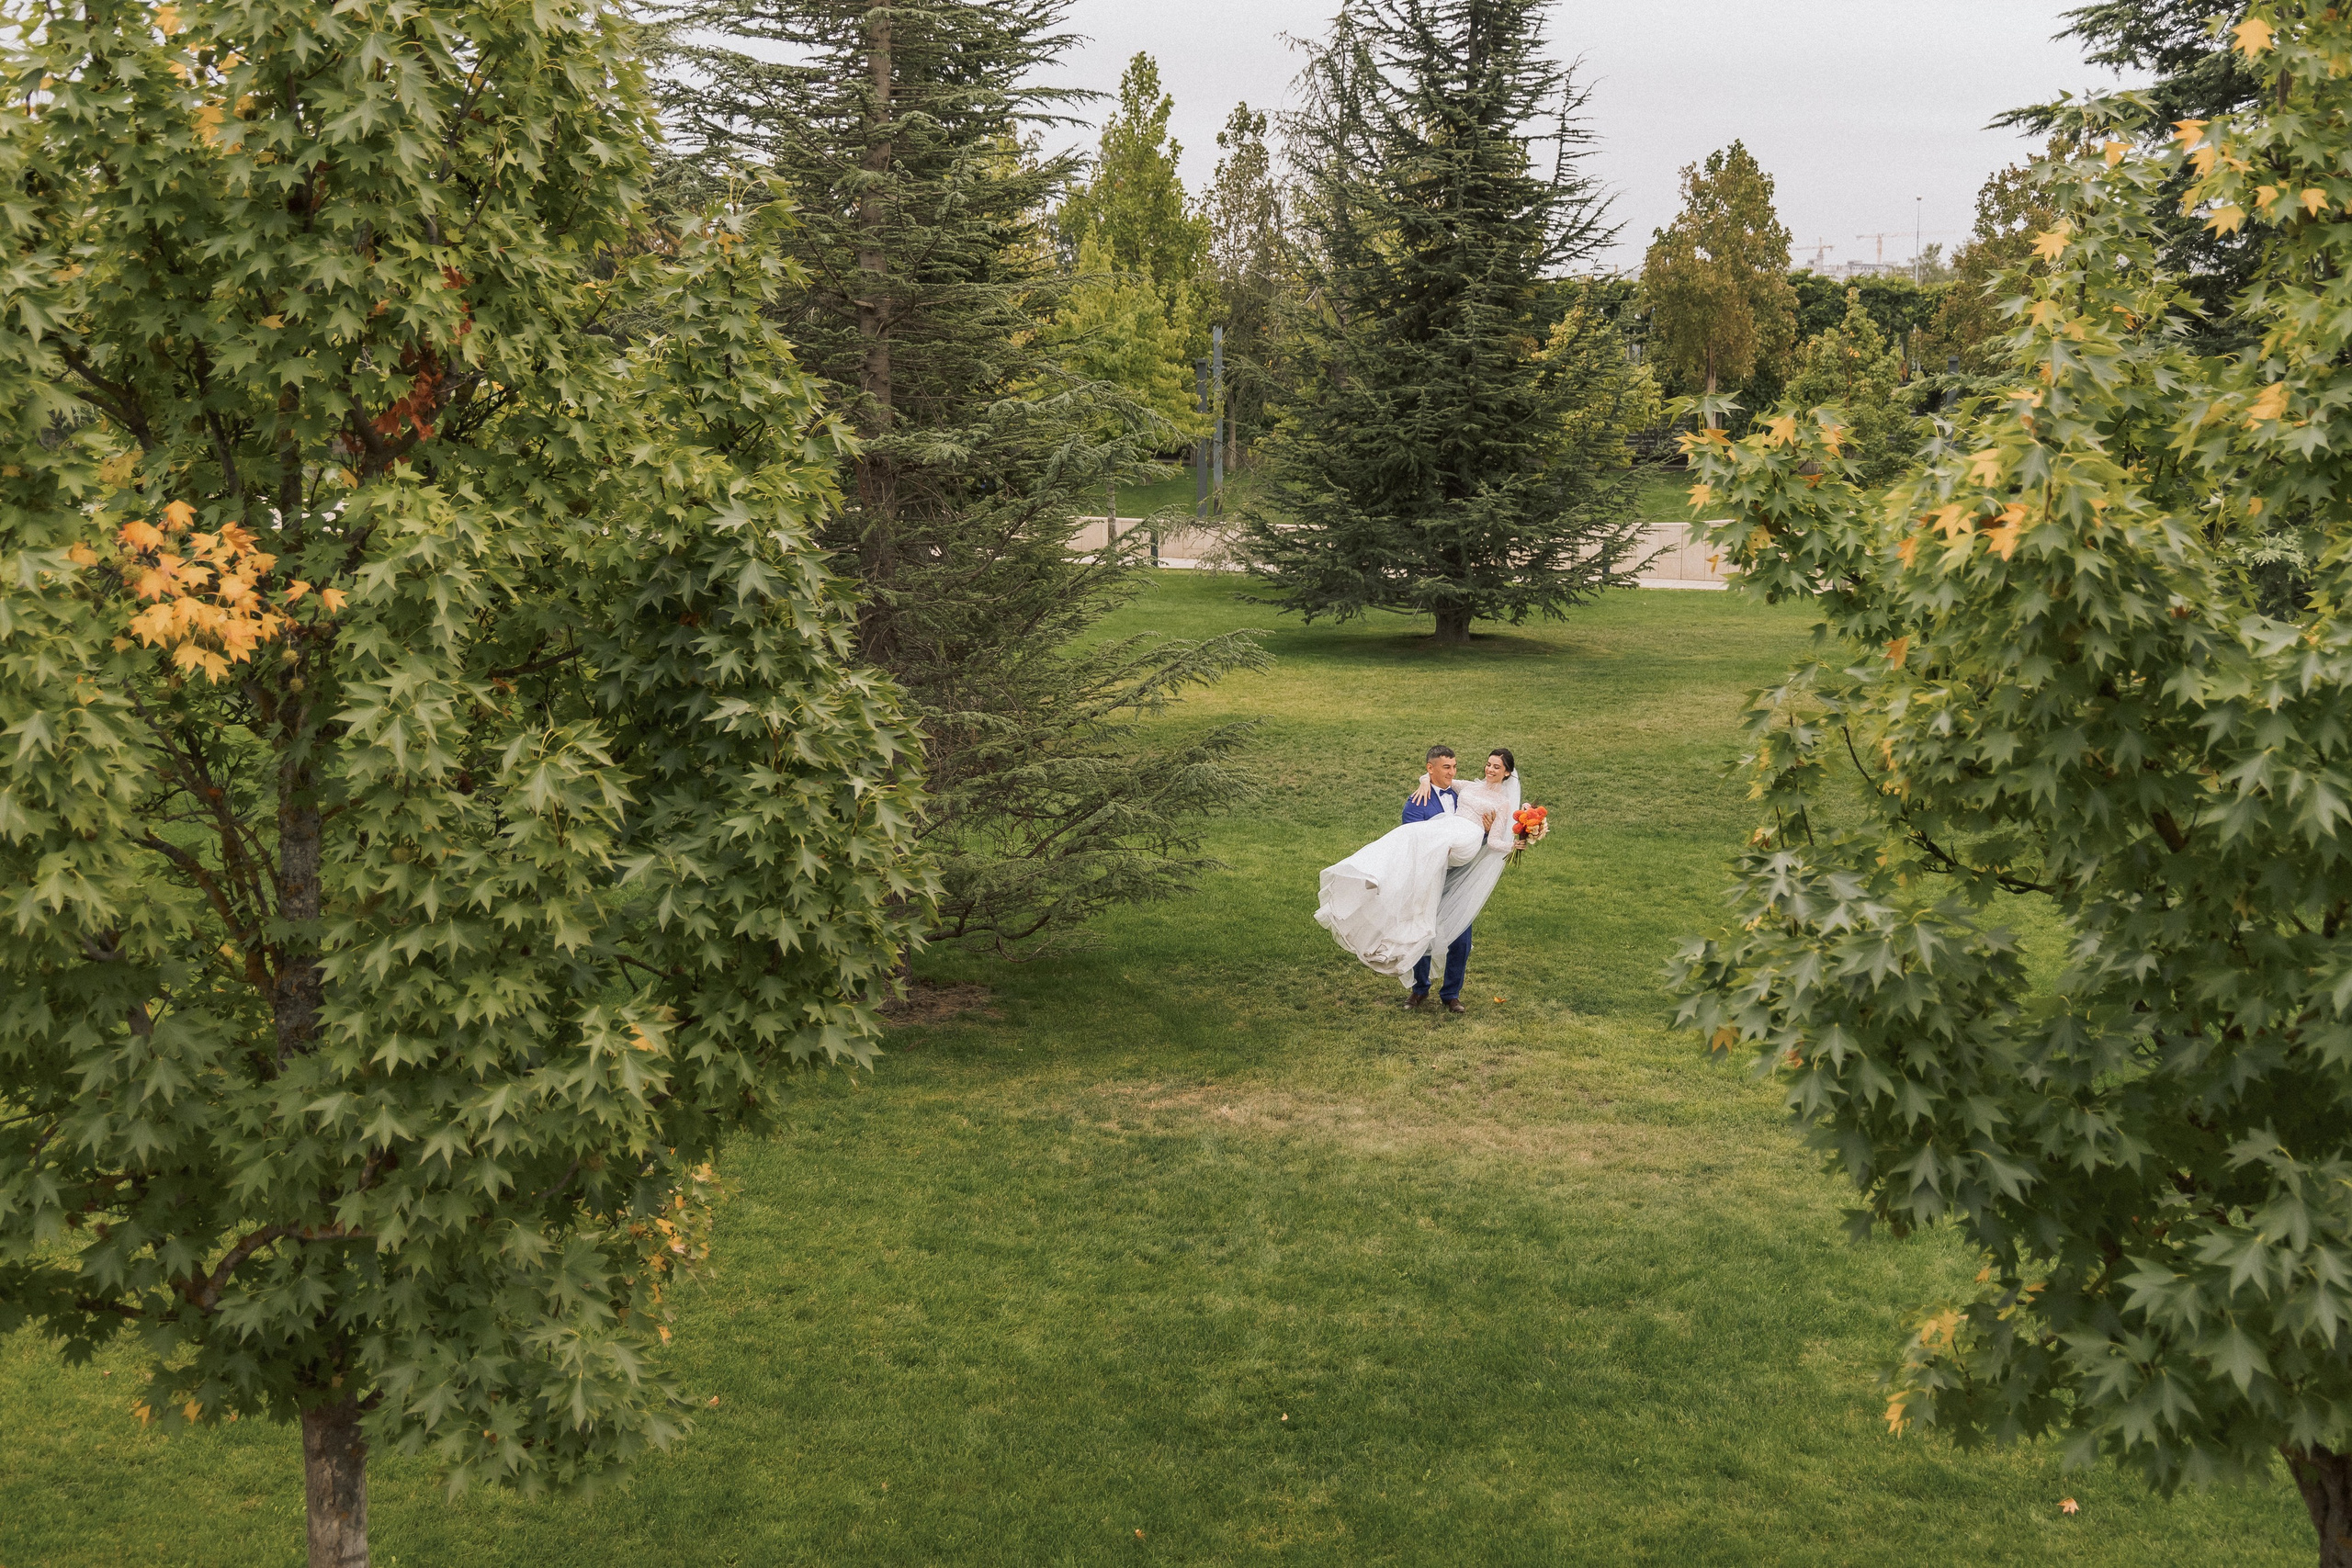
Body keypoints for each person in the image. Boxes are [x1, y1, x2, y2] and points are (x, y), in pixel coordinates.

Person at [1313, 745, 1520, 1013]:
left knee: (1460, 937)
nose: (1453, 772)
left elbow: (1479, 834)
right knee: (1420, 928)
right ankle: (1419, 989)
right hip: (1425, 874)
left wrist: (1504, 837)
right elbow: (1412, 835)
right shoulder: (1418, 801)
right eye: (1447, 767)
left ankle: (1451, 994)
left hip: (1457, 872)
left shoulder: (1468, 793)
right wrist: (1423, 782)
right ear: (1431, 770)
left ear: (1506, 773)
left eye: (1454, 767)